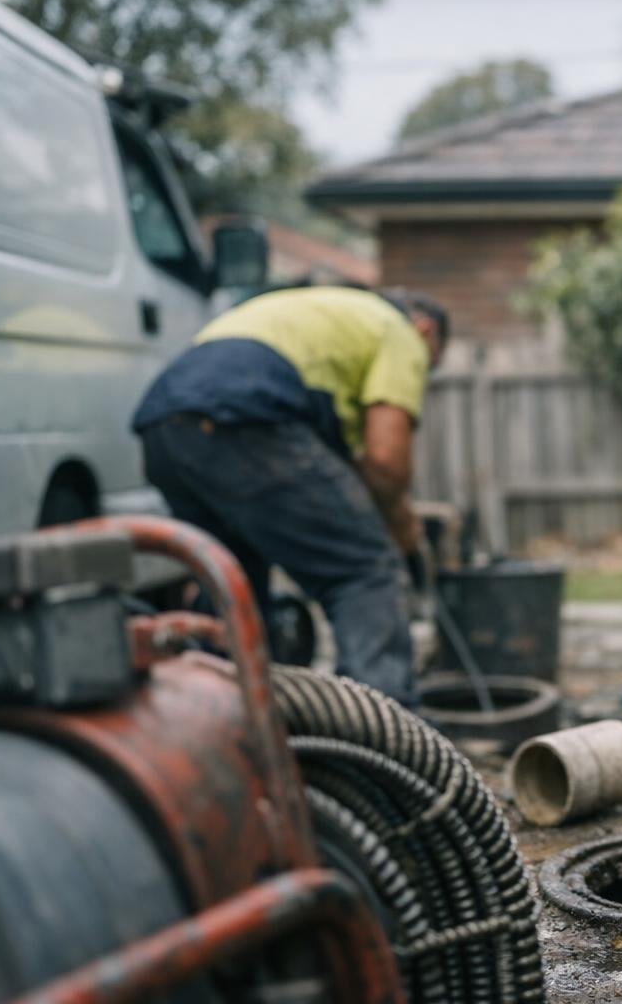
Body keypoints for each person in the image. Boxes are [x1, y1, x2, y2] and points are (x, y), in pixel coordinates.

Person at [132, 285, 448, 706]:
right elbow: (386, 463)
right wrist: (404, 530)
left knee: (230, 580)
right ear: (425, 332)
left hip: (164, 425)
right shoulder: (399, 332)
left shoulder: (323, 311)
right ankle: (381, 739)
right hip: (245, 416)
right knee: (364, 570)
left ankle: (220, 721)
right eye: (430, 368)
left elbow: (352, 469)